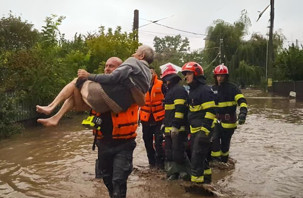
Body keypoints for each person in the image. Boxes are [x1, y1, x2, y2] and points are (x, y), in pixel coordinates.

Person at [36, 45, 154, 127]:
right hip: (109, 113)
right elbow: (79, 108)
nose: (133, 54)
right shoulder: (148, 74)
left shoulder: (132, 62)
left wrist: (88, 75)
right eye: (106, 66)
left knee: (78, 79)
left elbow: (113, 78)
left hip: (105, 100)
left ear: (141, 55)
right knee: (75, 89)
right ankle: (55, 118)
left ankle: (51, 107)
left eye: (136, 52)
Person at [181, 62, 216, 184]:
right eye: (185, 74)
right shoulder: (193, 91)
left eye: (188, 73)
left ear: (196, 74)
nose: (186, 77)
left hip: (203, 131)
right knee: (202, 158)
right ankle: (206, 181)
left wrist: (204, 132)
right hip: (195, 131)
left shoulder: (205, 91)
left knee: (196, 159)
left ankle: (196, 187)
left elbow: (211, 112)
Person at [90, 57, 123, 179]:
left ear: (120, 70)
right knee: (103, 174)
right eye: (106, 66)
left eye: (111, 66)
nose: (107, 69)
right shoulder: (96, 85)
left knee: (118, 176)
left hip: (120, 138)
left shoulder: (124, 87)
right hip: (102, 136)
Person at [210, 64, 248, 163]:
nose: (219, 78)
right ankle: (215, 162)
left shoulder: (233, 88)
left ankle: (224, 162)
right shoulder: (212, 89)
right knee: (214, 139)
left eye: (222, 76)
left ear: (226, 77)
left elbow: (242, 101)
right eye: (218, 76)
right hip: (215, 120)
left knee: (225, 145)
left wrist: (243, 113)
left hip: (229, 121)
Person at [161, 64, 190, 180]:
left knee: (178, 153)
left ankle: (187, 174)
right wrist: (164, 123)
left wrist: (176, 126)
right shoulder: (170, 91)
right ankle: (174, 173)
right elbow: (168, 112)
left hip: (178, 129)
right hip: (169, 128)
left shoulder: (178, 90)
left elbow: (180, 110)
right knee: (169, 153)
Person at [139, 67, 165, 169]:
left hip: (159, 119)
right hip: (145, 120)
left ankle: (160, 164)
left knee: (159, 142)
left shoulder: (161, 84)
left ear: (154, 73)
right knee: (147, 141)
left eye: (151, 72)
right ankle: (151, 163)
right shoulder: (140, 86)